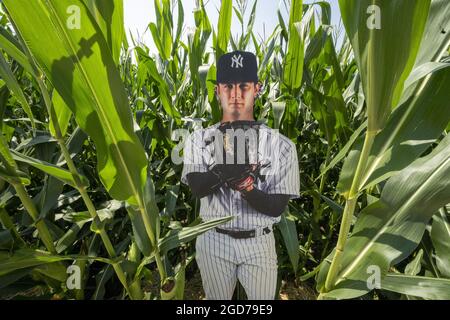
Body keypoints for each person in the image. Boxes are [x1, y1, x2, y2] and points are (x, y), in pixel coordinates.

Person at [181, 50, 300, 300]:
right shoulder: (197, 140)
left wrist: (246, 185)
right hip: (213, 241)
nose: (235, 94)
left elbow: (276, 207)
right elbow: (197, 188)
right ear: (217, 91)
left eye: (244, 86)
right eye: (228, 86)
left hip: (259, 244)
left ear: (257, 89)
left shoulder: (282, 146)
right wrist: (222, 171)